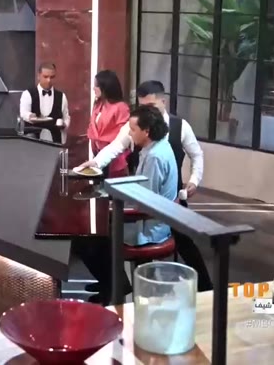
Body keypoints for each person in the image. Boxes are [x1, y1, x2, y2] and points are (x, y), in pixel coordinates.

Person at [77, 80, 212, 291]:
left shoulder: (171, 137)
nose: (130, 132)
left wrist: (194, 181)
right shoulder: (145, 133)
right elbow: (115, 147)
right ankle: (113, 282)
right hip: (151, 197)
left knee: (185, 244)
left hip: (164, 201)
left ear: (162, 102)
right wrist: (95, 163)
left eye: (149, 106)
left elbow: (197, 156)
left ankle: (204, 288)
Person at [74, 105, 177, 304]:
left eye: (132, 130)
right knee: (96, 229)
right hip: (149, 216)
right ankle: (110, 282)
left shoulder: (155, 157)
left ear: (146, 131)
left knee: (86, 238)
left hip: (149, 226)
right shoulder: (157, 147)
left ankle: (114, 286)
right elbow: (142, 189)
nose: (129, 134)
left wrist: (109, 205)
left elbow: (145, 202)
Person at [87, 70, 130, 177]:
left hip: (114, 156)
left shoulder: (121, 107)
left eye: (96, 86)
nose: (93, 88)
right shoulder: (98, 104)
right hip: (97, 152)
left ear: (105, 87)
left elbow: (123, 135)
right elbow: (92, 126)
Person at [19, 63, 71, 128]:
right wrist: (30, 116)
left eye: (52, 77)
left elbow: (66, 118)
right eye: (45, 77)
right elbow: (23, 113)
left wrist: (64, 124)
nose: (49, 80)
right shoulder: (28, 94)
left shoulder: (62, 96)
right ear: (38, 76)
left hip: (54, 133)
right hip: (33, 134)